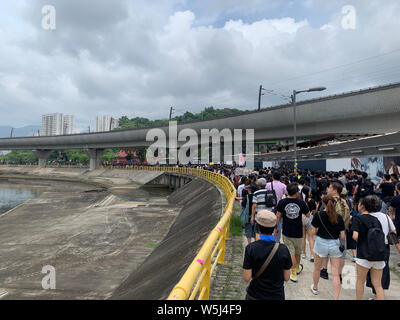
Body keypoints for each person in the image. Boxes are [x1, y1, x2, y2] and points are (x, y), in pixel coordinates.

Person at [243, 210, 292, 300]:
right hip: (277, 296)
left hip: (255, 295)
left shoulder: (251, 248)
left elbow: (246, 278)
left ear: (257, 227)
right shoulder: (283, 249)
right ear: (274, 227)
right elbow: (286, 277)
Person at [310, 195, 346, 299]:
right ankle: (336, 297)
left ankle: (315, 288)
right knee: (335, 273)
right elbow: (342, 236)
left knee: (317, 268)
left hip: (321, 243)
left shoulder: (318, 215)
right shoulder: (338, 217)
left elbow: (313, 232)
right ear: (335, 204)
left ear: (323, 203)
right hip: (334, 244)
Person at [352, 196, 387, 300]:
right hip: (378, 255)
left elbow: (355, 236)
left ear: (362, 206)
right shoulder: (376, 219)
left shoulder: (357, 218)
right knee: (378, 285)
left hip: (364, 255)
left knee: (360, 282)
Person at [276, 183, 310, 282]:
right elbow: (308, 215)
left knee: (291, 252)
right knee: (297, 252)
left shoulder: (282, 202)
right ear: (297, 192)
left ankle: (294, 272)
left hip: (287, 230)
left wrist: (275, 227)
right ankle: (297, 267)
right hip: (298, 231)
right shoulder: (301, 203)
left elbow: (278, 215)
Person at [366, 197, 397, 300]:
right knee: (383, 269)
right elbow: (394, 232)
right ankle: (380, 293)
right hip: (384, 247)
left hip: (370, 247)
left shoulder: (366, 217)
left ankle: (376, 294)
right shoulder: (386, 217)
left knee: (372, 270)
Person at [266, 171, 288, 242]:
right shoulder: (283, 186)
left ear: (272, 177)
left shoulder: (268, 185)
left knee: (269, 224)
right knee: (278, 225)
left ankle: (268, 239)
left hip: (269, 207)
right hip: (279, 208)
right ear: (280, 178)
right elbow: (287, 194)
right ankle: (276, 241)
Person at [301, 186, 316, 262]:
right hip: (309, 218)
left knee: (303, 237)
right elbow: (314, 210)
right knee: (311, 237)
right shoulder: (312, 201)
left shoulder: (300, 200)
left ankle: (303, 253)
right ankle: (312, 255)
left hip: (301, 218)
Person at [389, 182, 400, 267]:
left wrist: (392, 216)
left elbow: (391, 209)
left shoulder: (395, 198)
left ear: (397, 188)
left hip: (398, 221)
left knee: (395, 238)